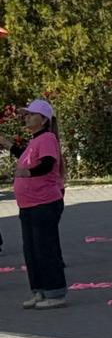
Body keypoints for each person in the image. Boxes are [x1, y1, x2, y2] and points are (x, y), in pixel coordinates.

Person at [0, 100, 67, 309]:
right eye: (26, 114)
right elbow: (25, 157)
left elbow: (47, 164)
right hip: (28, 205)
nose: (27, 117)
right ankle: (39, 290)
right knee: (31, 250)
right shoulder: (34, 140)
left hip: (44, 203)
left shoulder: (47, 138)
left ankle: (55, 292)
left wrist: (28, 173)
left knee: (45, 249)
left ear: (44, 119)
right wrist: (9, 145)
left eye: (31, 114)